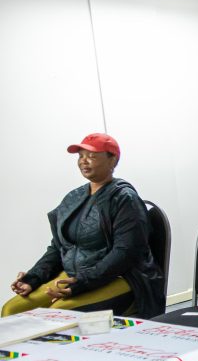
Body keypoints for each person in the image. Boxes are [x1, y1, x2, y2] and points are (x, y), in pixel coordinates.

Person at [4, 133, 163, 318]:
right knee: (12, 311)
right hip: (75, 276)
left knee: (57, 315)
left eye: (92, 156)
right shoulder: (73, 197)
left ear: (112, 160)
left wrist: (80, 283)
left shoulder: (125, 199)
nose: (83, 161)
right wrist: (33, 278)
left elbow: (125, 253)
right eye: (80, 156)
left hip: (124, 277)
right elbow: (58, 248)